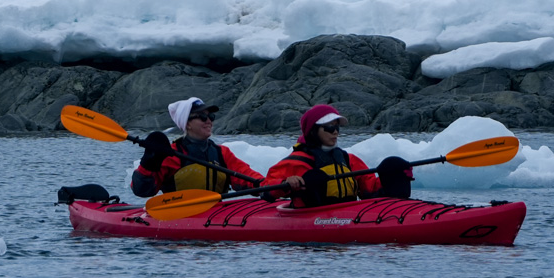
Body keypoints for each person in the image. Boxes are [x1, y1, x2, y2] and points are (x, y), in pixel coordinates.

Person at [261, 104, 414, 208]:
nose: (335, 132)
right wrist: (286, 182)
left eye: (337, 127)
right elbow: (266, 189)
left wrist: (395, 176)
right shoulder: (296, 162)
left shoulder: (348, 159)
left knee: (393, 164)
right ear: (313, 131)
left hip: (349, 213)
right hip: (311, 218)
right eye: (329, 127)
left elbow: (370, 188)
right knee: (315, 176)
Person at [130, 97, 262, 197]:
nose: (209, 120)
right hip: (178, 215)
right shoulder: (171, 154)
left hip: (216, 214)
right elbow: (141, 190)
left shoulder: (222, 153)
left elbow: (246, 175)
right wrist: (149, 162)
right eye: (203, 117)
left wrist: (265, 184)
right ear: (187, 124)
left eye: (211, 116)